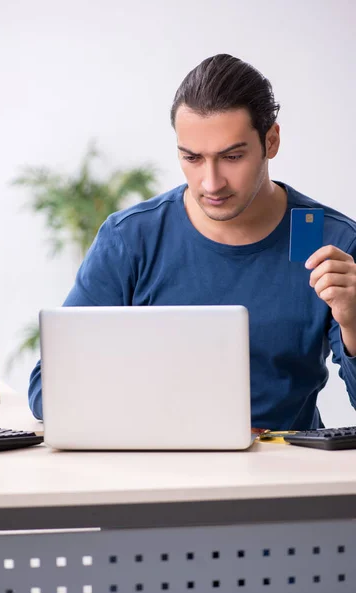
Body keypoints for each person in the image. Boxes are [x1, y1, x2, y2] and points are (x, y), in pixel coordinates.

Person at [28, 53, 356, 429]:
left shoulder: (335, 243)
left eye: (232, 156)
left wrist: (353, 320)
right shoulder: (131, 239)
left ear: (271, 140)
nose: (211, 182)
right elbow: (47, 390)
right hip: (157, 473)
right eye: (192, 158)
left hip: (283, 476)